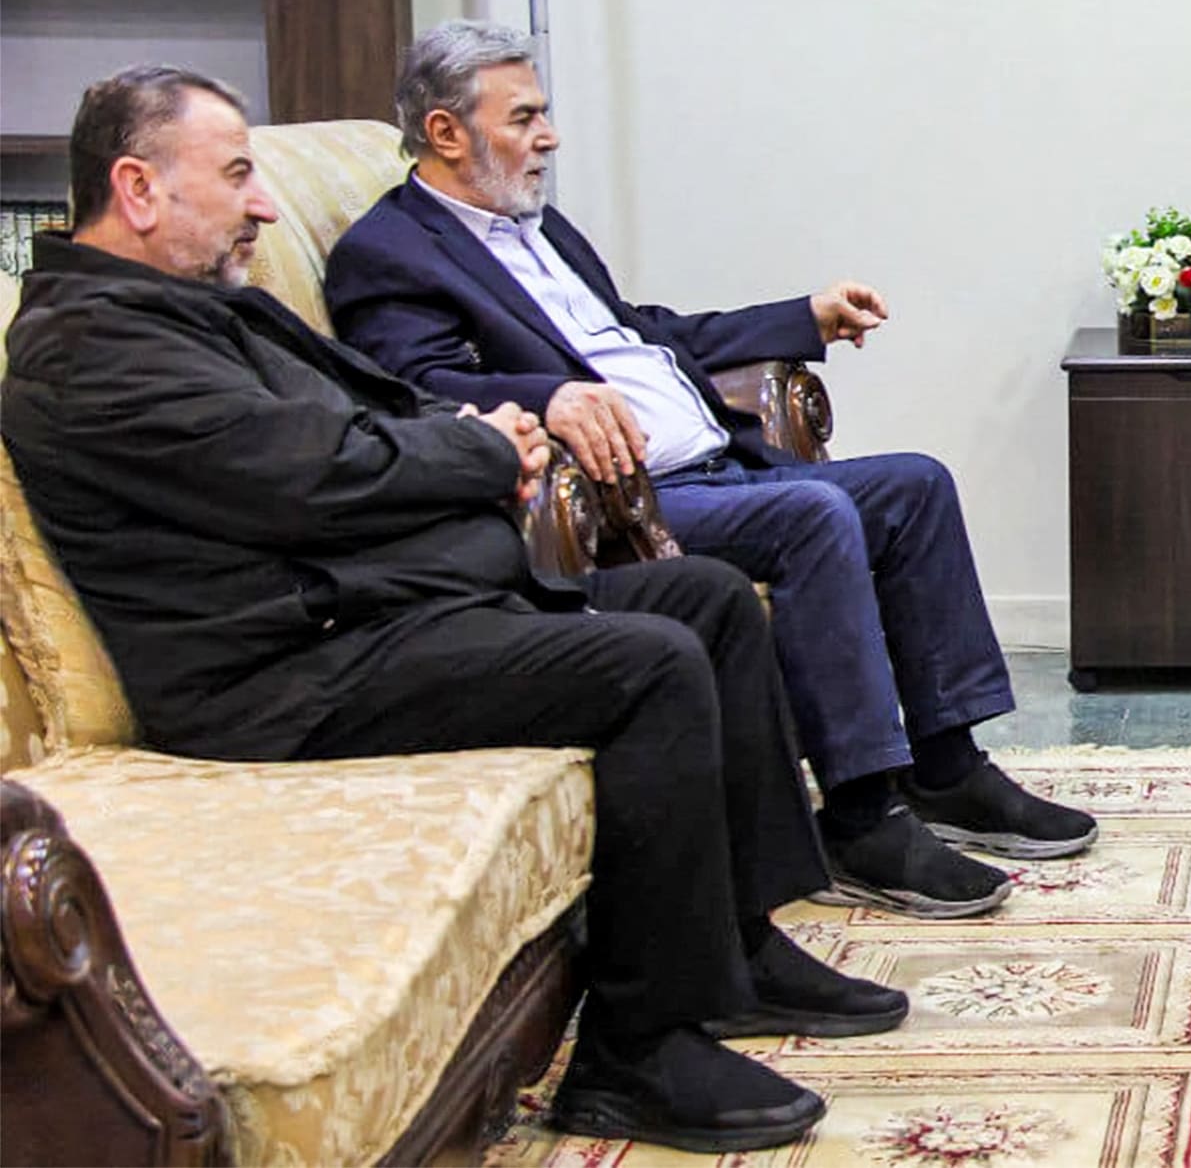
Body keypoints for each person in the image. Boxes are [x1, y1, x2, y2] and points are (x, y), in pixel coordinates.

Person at [1, 67, 910, 1155]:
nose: (264, 204)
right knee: (651, 664)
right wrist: (483, 451)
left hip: (370, 619)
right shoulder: (91, 349)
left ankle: (740, 946)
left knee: (704, 596)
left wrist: (475, 435)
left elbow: (368, 408)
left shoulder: (182, 305)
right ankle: (635, 1050)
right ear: (138, 189)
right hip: (283, 678)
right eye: (238, 174)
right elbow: (312, 476)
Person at [324, 20, 1096, 923]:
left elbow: (645, 334)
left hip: (718, 465)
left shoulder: (540, 228)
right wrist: (548, 396)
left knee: (914, 486)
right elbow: (412, 388)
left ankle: (948, 767)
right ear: (446, 131)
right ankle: (858, 817)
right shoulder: (390, 252)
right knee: (813, 515)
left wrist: (801, 316)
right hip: (627, 501)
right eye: (524, 116)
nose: (549, 136)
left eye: (545, 113)